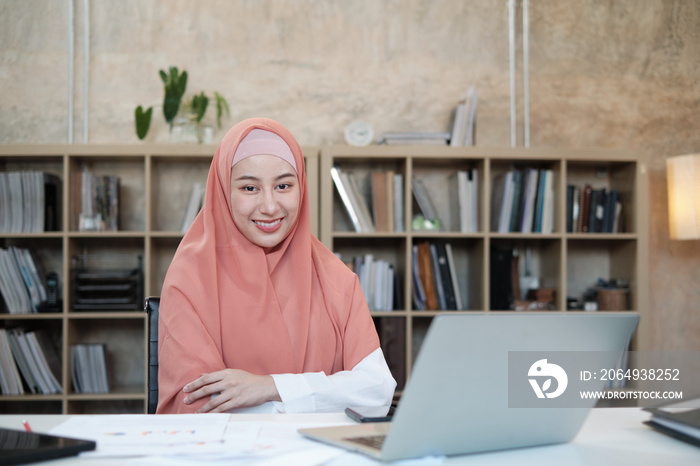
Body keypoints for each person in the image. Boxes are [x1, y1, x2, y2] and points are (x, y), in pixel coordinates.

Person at [157, 117, 396, 414]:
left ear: (302, 188)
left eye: (283, 185)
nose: (270, 206)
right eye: (249, 188)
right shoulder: (190, 278)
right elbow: (199, 405)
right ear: (223, 192)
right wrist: (319, 395)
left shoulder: (337, 278)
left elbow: (376, 391)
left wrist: (271, 387)